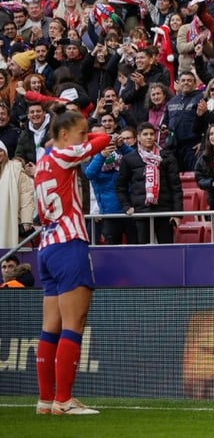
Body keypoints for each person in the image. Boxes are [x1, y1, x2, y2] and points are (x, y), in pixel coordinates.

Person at [33, 105, 112, 415]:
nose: (83, 138)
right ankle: (63, 400)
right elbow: (103, 139)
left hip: (47, 247)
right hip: (69, 243)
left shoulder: (42, 162)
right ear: (63, 135)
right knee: (73, 323)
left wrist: (64, 136)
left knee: (49, 327)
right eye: (78, 133)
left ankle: (45, 399)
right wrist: (82, 137)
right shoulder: (64, 154)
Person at [115, 122, 181, 245]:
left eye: (151, 134)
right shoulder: (129, 159)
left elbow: (176, 187)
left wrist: (177, 213)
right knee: (143, 251)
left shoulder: (167, 157)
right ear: (138, 137)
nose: (149, 137)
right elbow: (121, 186)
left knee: (166, 251)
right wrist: (126, 207)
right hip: (141, 212)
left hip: (164, 211)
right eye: (145, 134)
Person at [0, 139, 35, 250]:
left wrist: (26, 219)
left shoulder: (15, 169)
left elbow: (26, 195)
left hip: (11, 220)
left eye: (0, 151)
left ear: (5, 152)